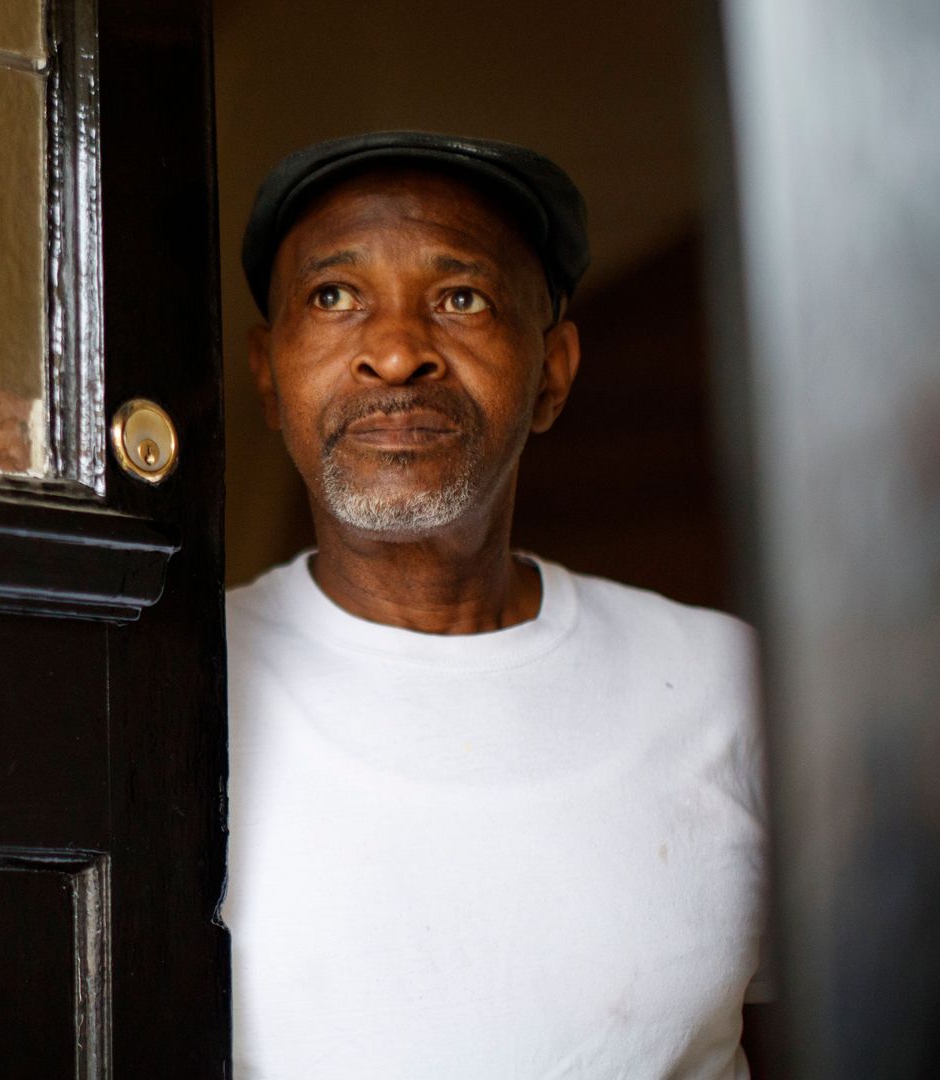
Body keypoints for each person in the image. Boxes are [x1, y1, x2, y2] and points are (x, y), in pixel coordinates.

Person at [224, 132, 769, 1078]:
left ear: (552, 372)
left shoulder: (731, 686)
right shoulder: (173, 684)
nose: (395, 353)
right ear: (269, 373)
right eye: (334, 296)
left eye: (461, 299)